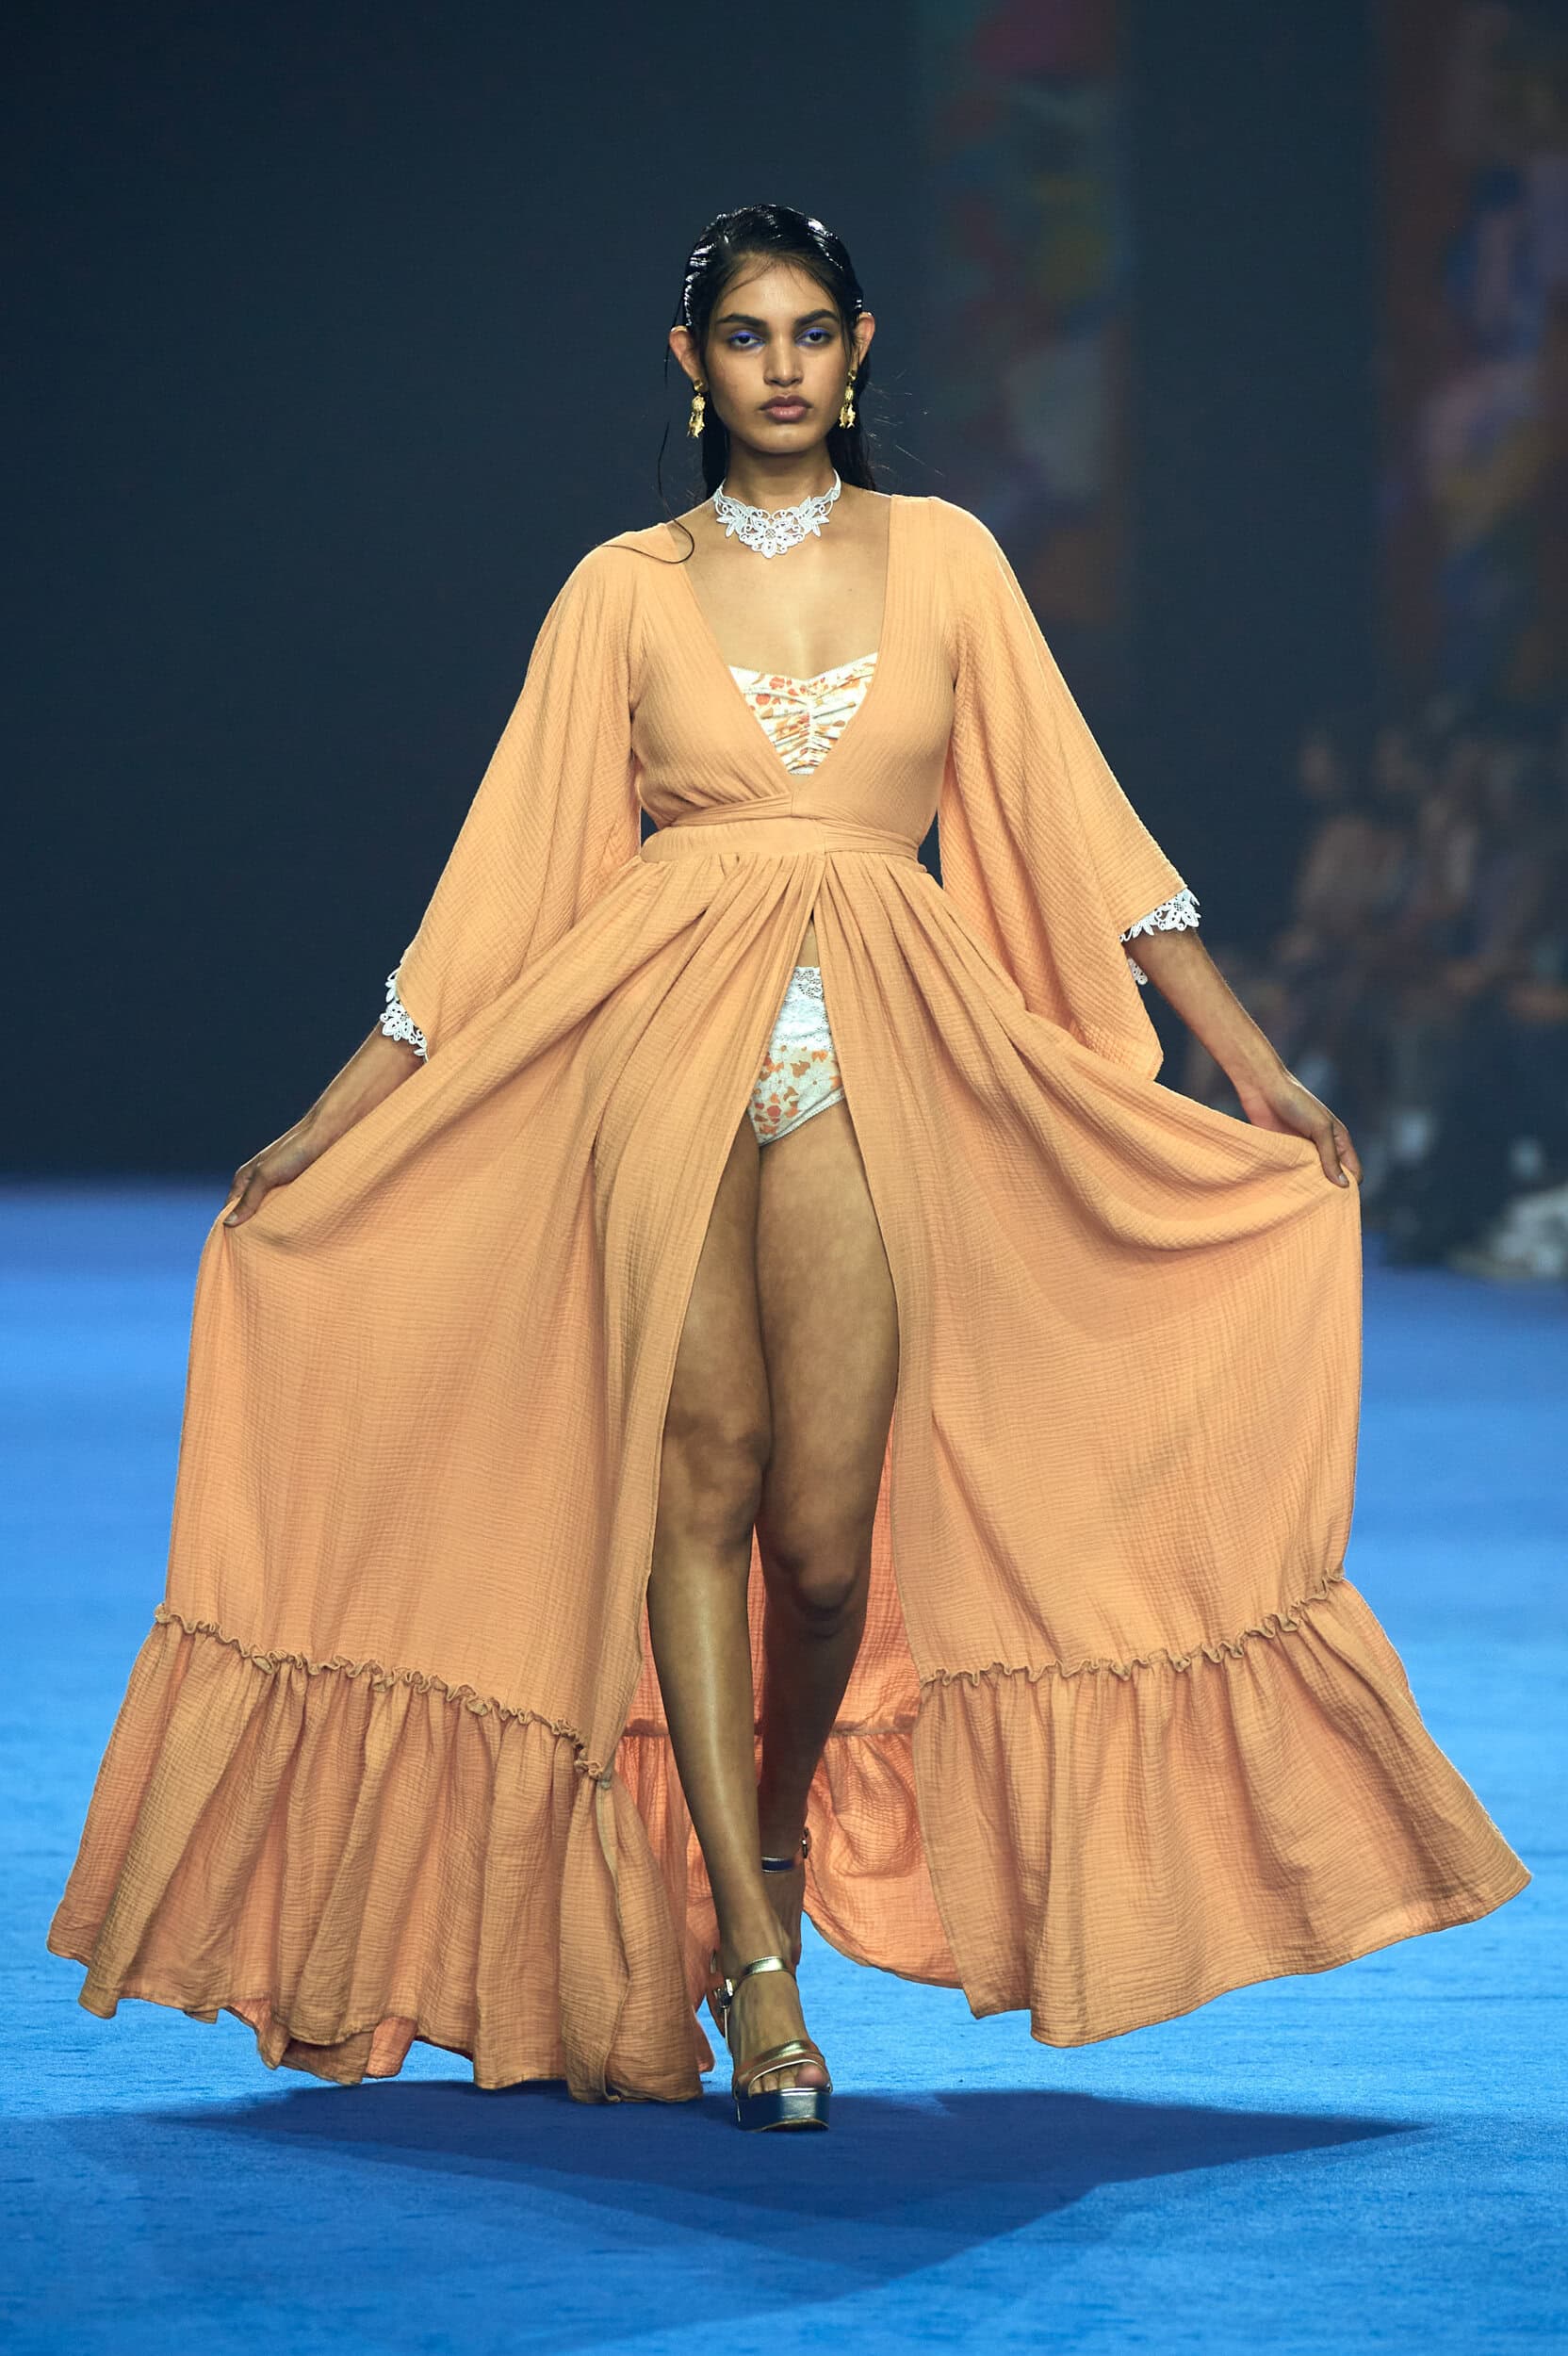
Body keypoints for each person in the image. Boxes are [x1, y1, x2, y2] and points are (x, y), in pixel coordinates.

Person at [48, 205, 1528, 2135]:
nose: (780, 366)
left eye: (810, 332)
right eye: (743, 335)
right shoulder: (618, 591)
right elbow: (497, 888)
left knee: (823, 1543)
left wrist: (1251, 1057)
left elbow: (1080, 821)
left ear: (859, 348)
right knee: (703, 1472)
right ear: (692, 364)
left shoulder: (950, 557)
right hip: (651, 1056)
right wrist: (335, 1118)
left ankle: (756, 1833)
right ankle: (754, 1957)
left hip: (876, 1051)